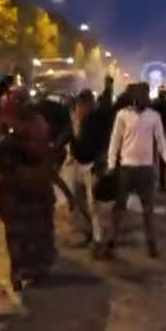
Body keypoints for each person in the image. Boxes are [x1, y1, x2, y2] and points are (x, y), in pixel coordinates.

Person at [0, 87, 58, 290]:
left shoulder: (38, 121)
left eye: (24, 99)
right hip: (13, 189)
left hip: (37, 187)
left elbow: (45, 148)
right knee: (16, 234)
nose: (23, 104)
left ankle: (38, 269)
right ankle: (17, 272)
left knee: (39, 231)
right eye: (18, 100)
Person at [104, 82, 166, 259]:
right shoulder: (123, 115)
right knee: (119, 206)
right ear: (134, 96)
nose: (143, 98)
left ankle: (151, 244)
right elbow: (115, 141)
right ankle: (112, 238)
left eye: (145, 94)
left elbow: (161, 139)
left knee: (148, 209)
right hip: (126, 167)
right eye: (140, 94)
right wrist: (111, 164)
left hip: (146, 169)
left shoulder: (154, 116)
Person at [63, 89, 110, 249]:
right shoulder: (77, 122)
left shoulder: (98, 120)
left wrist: (101, 163)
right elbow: (69, 138)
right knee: (80, 200)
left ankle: (98, 239)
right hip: (79, 164)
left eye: (81, 106)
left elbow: (104, 144)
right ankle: (88, 230)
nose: (79, 110)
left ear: (89, 105)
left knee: (93, 204)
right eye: (77, 107)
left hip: (92, 166)